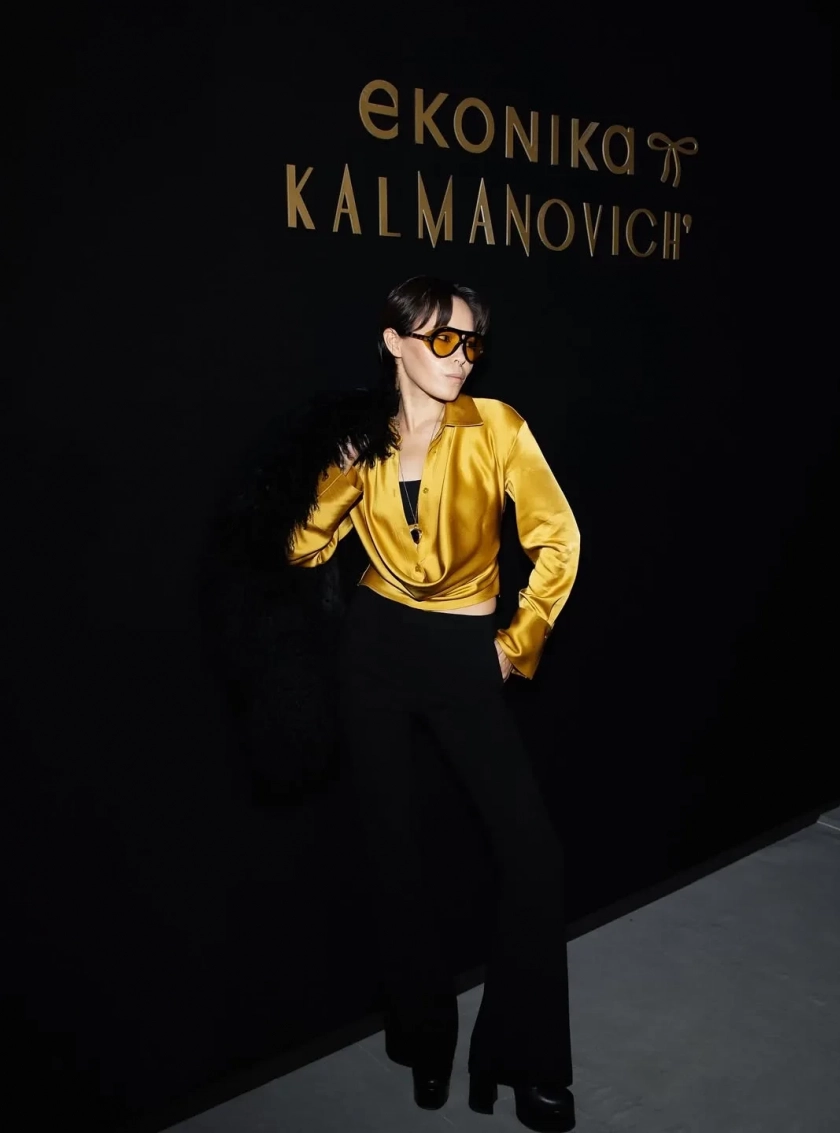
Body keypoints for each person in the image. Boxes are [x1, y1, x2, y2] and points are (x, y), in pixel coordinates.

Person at [287, 275, 581, 1132]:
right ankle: (423, 1037)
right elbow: (304, 550)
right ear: (394, 341)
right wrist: (340, 476)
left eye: (471, 341)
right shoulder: (359, 439)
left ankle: (526, 1061)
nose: (461, 356)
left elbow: (558, 538)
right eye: (442, 338)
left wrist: (516, 641)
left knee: (535, 856)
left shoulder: (497, 426)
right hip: (375, 649)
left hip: (465, 651)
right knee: (394, 850)